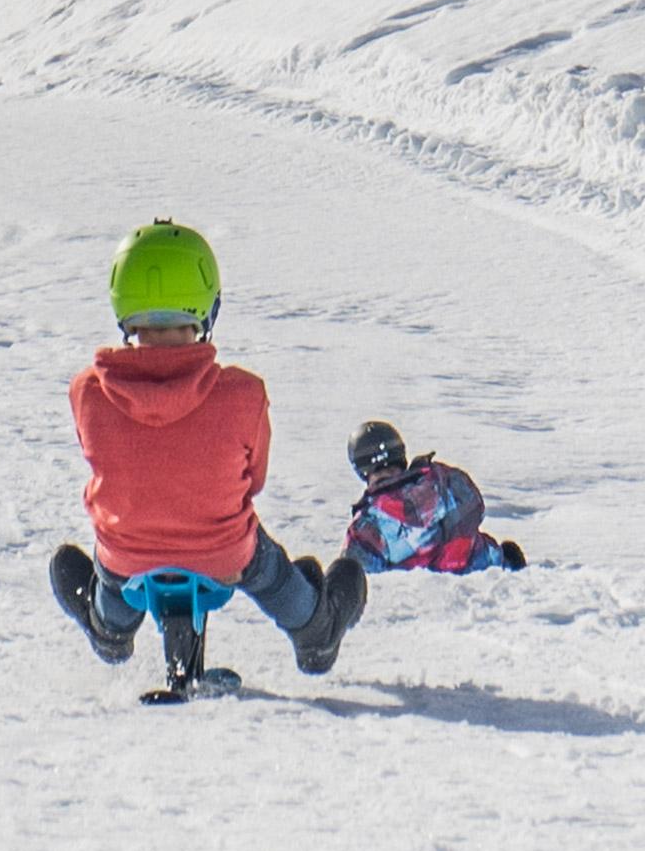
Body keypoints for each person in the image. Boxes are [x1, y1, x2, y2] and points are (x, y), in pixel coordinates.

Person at [51, 220, 366, 676]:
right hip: (223, 553)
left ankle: (110, 630)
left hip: (127, 553)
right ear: (207, 301)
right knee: (268, 567)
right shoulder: (243, 394)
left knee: (112, 567)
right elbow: (253, 481)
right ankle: (316, 631)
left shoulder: (88, 391)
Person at [342, 421, 526, 574]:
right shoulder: (442, 480)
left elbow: (357, 575)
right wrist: (503, 559)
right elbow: (473, 511)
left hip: (417, 601)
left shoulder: (366, 523)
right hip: (477, 573)